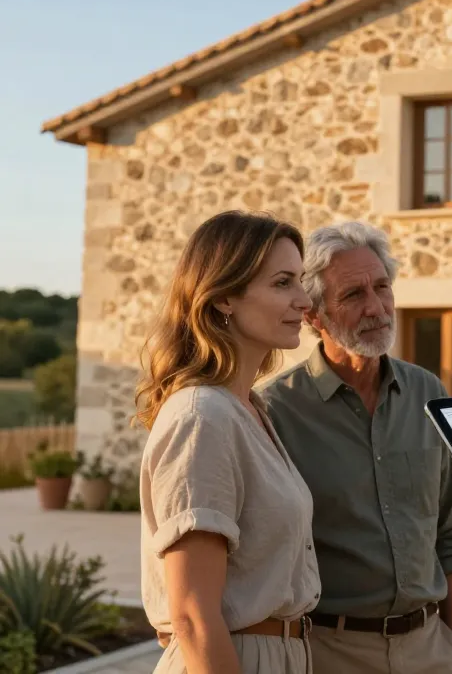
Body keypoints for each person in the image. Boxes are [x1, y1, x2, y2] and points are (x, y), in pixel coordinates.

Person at [259, 220, 452, 674]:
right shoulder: (276, 411)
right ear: (314, 316)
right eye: (353, 295)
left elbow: (450, 528)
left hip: (430, 649)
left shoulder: (428, 392)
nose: (377, 307)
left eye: (383, 287)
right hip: (329, 652)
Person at [135, 210, 321, 674]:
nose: (304, 299)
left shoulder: (249, 409)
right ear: (224, 299)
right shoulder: (202, 417)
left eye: (300, 280)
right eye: (283, 283)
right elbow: (194, 617)